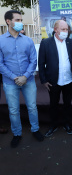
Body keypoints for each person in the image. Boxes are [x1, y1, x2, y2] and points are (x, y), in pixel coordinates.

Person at [0, 10, 44, 148]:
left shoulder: (28, 40)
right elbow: (0, 64)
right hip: (10, 82)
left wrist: (25, 76)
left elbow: (33, 60)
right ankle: (17, 133)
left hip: (28, 80)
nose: (20, 22)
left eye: (20, 20)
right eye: (17, 20)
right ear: (8, 21)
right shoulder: (0, 41)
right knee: (13, 110)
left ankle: (35, 129)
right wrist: (14, 77)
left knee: (32, 107)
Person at [38, 20, 72, 137]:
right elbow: (41, 63)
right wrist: (44, 80)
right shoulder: (46, 43)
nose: (66, 32)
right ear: (56, 30)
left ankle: (67, 124)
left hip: (68, 80)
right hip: (53, 81)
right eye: (63, 29)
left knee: (67, 103)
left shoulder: (71, 42)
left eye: (67, 29)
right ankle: (53, 125)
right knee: (53, 104)